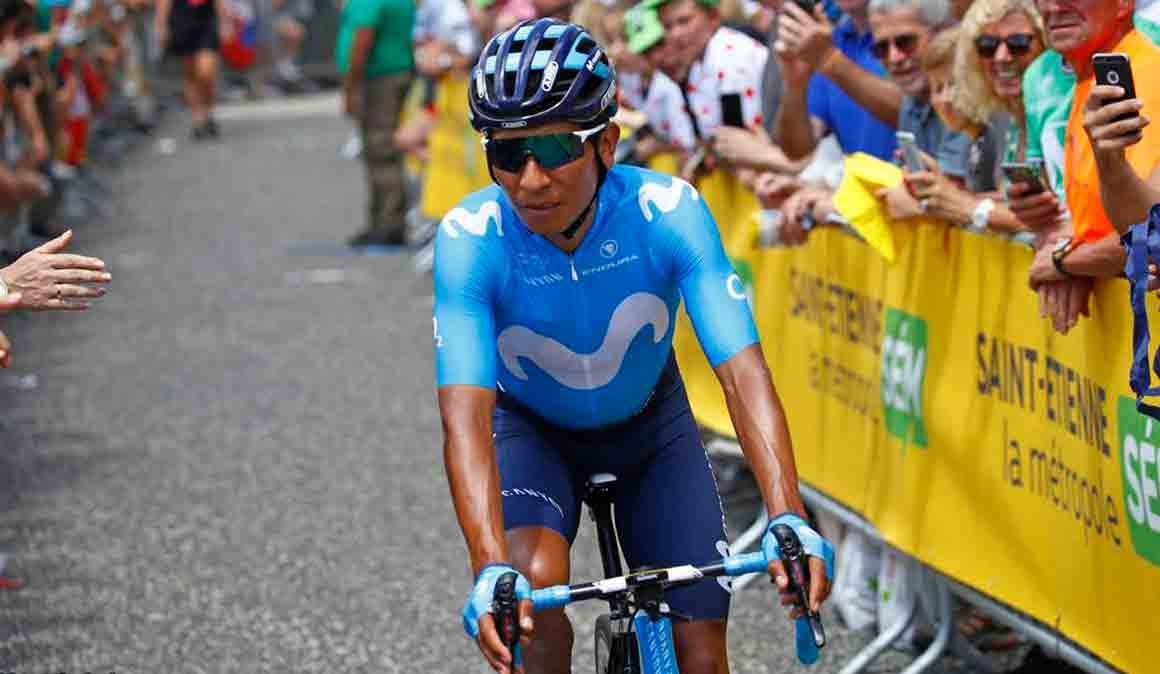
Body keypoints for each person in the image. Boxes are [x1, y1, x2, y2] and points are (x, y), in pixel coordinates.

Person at [435, 18, 833, 674]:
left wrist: (787, 515)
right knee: (529, 597)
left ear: (607, 143)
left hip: (652, 429)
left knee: (700, 656)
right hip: (534, 434)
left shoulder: (668, 210)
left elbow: (743, 373)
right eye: (507, 154)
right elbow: (466, 419)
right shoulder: (470, 238)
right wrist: (488, 567)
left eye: (554, 147)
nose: (530, 179)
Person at [1011, 0, 1160, 332]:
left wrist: (1064, 262)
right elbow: (1101, 224)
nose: (1053, 6)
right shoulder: (1092, 82)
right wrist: (1067, 249)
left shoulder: (1143, 79)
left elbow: (1149, 236)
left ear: (1124, 3)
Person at [336, 0, 415, 247]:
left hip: (378, 78)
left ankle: (387, 222)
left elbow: (363, 36)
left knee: (380, 149)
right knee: (384, 148)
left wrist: (351, 85)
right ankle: (386, 220)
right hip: (394, 72)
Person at [155, 0, 232, 139]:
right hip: (182, 21)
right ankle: (198, 118)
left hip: (206, 21)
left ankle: (208, 110)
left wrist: (226, 22)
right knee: (190, 74)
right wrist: (161, 26)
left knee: (206, 72)